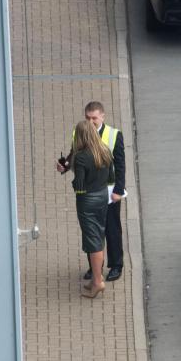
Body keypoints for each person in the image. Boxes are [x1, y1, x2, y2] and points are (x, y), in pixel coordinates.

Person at [56, 101, 126, 281]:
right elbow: (73, 157)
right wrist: (64, 166)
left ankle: (116, 265)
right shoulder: (79, 133)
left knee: (111, 229)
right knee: (92, 232)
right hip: (90, 191)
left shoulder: (114, 135)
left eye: (94, 118)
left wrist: (118, 190)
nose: (91, 121)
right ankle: (95, 269)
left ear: (102, 116)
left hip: (109, 191)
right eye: (87, 117)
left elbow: (120, 166)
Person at [70, 119, 113, 298]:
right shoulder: (104, 150)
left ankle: (97, 282)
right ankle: (96, 278)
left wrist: (75, 182)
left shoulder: (81, 156)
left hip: (87, 200)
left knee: (92, 240)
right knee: (99, 235)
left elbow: (79, 185)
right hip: (103, 196)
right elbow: (111, 177)